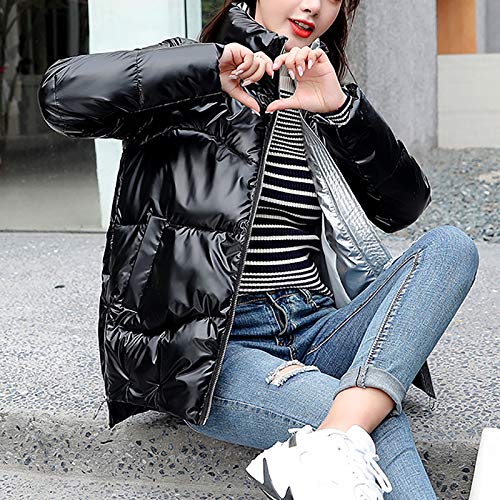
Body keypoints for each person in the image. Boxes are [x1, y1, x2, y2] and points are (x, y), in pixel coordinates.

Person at [37, 1, 480, 499]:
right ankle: (343, 431)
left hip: (316, 326)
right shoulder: (187, 74)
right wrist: (205, 65)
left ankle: (332, 441)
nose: (313, 5)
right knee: (375, 418)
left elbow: (403, 206)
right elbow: (60, 97)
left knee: (451, 248)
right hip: (214, 347)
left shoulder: (315, 88)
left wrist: (342, 111)